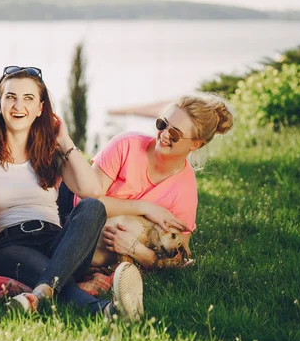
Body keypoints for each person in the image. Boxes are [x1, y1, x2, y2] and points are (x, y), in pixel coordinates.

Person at [0, 65, 144, 321]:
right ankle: (105, 310)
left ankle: (41, 293)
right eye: (10, 97)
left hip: (59, 243)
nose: (18, 105)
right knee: (51, 273)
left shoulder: (51, 154)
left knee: (92, 208)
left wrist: (64, 141)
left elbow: (92, 191)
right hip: (9, 245)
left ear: (41, 108)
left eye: (28, 98)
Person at [92, 94, 234, 268]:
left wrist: (136, 250)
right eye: (162, 124)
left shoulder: (185, 192)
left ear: (195, 144)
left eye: (175, 134)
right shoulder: (126, 145)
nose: (164, 134)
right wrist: (145, 208)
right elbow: (85, 202)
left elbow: (177, 257)